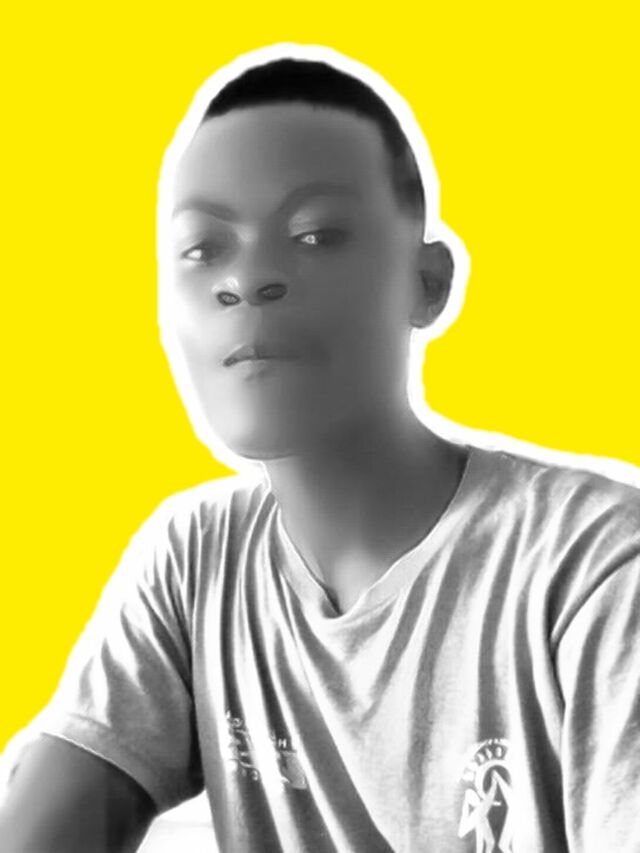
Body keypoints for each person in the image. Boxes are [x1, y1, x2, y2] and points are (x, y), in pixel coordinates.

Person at [1, 44, 639, 853]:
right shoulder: (194, 559)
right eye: (203, 248)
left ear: (428, 281)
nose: (248, 279)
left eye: (315, 234)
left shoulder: (595, 568)